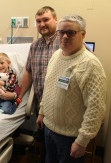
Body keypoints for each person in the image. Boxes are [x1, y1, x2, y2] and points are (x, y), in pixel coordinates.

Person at [36, 14, 107, 163]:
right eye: (61, 32)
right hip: (49, 130)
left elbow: (96, 108)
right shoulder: (56, 56)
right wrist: (42, 111)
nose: (65, 36)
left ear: (83, 34)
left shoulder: (91, 65)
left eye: (71, 32)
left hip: (70, 137)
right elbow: (48, 87)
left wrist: (82, 141)